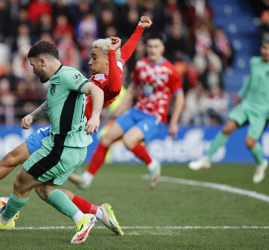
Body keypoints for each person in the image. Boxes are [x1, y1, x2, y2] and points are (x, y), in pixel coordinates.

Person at [0, 16, 152, 235]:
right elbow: (122, 55)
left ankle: (16, 217)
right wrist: (138, 29)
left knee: (41, 187)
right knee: (13, 158)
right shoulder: (98, 70)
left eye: (94, 57)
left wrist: (95, 115)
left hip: (70, 133)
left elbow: (114, 81)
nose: (89, 62)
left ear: (107, 60)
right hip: (54, 129)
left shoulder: (108, 82)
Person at [0, 40, 104, 243]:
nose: (33, 70)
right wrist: (32, 115)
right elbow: (53, 103)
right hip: (68, 147)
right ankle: (82, 219)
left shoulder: (67, 74)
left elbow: (96, 91)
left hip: (62, 147)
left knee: (21, 182)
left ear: (43, 61)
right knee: (44, 189)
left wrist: (95, 116)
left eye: (33, 65)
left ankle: (5, 219)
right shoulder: (57, 79)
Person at [70, 33, 184, 190]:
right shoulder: (141, 65)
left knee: (129, 141)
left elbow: (180, 97)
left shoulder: (170, 71)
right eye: (150, 46)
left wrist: (174, 122)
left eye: (156, 47)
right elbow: (132, 89)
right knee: (105, 138)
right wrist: (121, 106)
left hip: (155, 116)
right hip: (136, 111)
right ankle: (87, 178)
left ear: (162, 48)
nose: (152, 50)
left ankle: (152, 164)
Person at [189, 39, 269, 183]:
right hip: (248, 104)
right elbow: (251, 80)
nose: (267, 52)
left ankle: (261, 163)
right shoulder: (254, 62)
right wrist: (240, 95)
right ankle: (207, 158)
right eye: (265, 48)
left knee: (250, 142)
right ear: (261, 48)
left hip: (263, 110)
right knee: (226, 128)